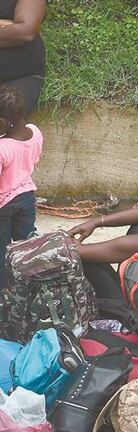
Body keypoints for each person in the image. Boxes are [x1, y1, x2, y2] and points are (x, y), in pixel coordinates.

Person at [0, 0, 47, 115]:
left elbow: (25, 31)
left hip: (20, 75)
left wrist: (17, 27)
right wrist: (8, 24)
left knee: (8, 120)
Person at [0, 85, 41, 287]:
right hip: (27, 196)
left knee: (2, 249)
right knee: (27, 245)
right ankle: (30, 284)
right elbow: (34, 158)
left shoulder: (2, 148)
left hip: (3, 205)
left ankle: (4, 293)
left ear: (4, 122)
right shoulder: (35, 131)